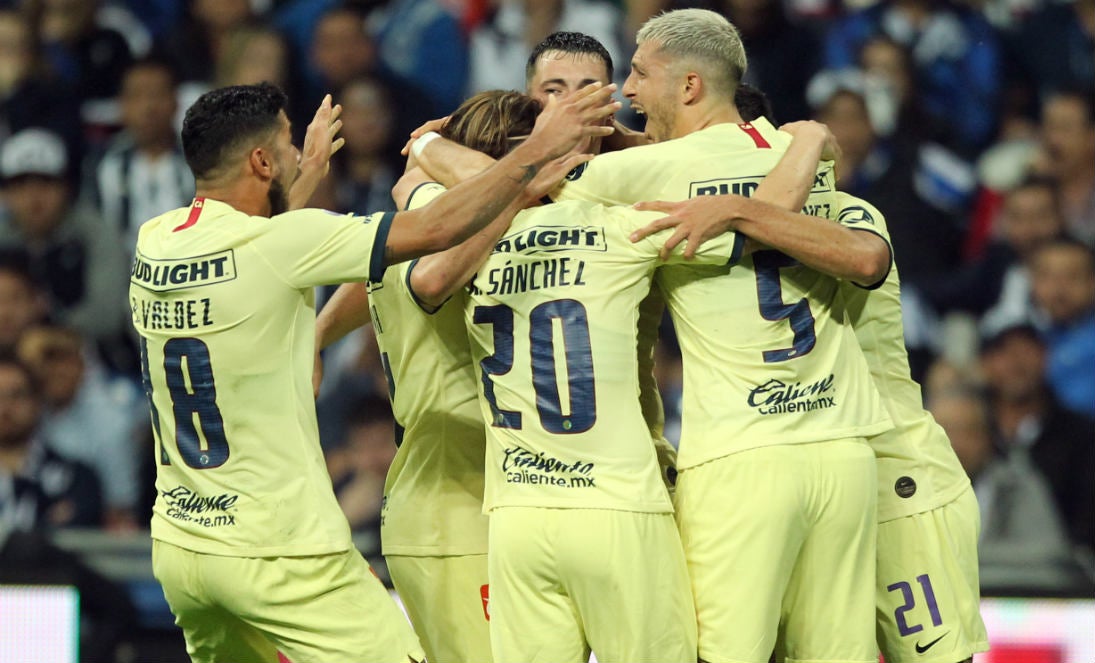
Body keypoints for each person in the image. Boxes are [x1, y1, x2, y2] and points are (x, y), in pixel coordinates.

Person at [129, 80, 617, 663]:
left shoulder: (155, 241)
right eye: (285, 146)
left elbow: (251, 241)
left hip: (184, 550)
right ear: (261, 161)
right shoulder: (283, 245)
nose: (296, 154)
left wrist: (302, 174)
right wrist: (535, 154)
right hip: (282, 554)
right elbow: (435, 231)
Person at [315, 32, 630, 663]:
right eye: (552, 98)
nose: (565, 125)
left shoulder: (425, 210)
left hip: (518, 503)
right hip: (450, 512)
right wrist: (470, 168)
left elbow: (383, 259)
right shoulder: (455, 216)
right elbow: (427, 271)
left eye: (588, 96)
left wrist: (319, 333)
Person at [402, 88, 743, 663]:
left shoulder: (461, 241)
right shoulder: (618, 224)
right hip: (617, 508)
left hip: (518, 517)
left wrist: (436, 147)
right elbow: (750, 224)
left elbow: (418, 185)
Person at [631, 178, 991, 661]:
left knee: (937, 656)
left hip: (895, 471)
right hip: (812, 472)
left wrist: (737, 208)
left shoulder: (845, 213)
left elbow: (864, 260)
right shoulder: (708, 218)